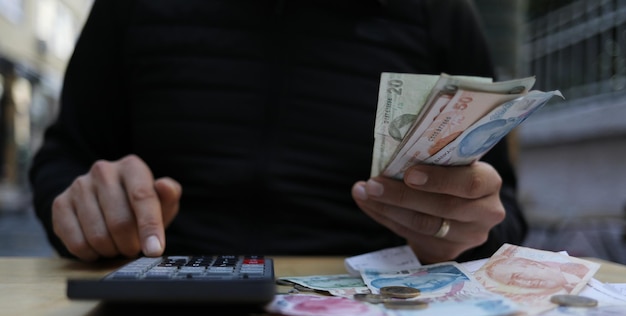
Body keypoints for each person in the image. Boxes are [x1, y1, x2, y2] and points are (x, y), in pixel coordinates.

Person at [29, 0, 527, 264]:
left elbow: (503, 212)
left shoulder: (438, 13)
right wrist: (86, 210)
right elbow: (65, 159)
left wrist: (461, 234)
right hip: (157, 309)